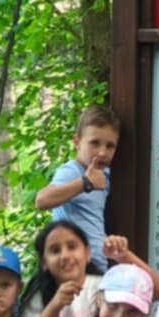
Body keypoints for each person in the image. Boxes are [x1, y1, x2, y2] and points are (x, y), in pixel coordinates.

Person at [34, 105, 122, 267]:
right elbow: (42, 200)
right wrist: (85, 183)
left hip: (97, 263)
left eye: (110, 146)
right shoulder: (72, 171)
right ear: (77, 142)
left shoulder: (105, 174)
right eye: (94, 143)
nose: (102, 152)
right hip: (75, 265)